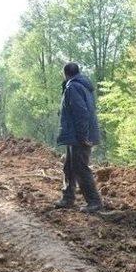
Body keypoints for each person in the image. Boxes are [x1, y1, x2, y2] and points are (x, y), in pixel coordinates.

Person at [54, 62, 103, 213]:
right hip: (76, 135)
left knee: (80, 167)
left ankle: (94, 202)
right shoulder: (82, 86)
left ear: (65, 73)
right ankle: (68, 198)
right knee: (69, 166)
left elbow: (81, 113)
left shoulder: (73, 87)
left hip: (79, 136)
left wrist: (83, 136)